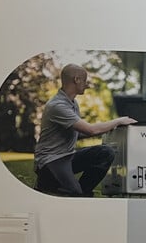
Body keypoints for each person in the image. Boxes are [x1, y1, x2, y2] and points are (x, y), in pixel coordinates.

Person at [33, 63, 133, 196]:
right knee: (74, 192)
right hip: (51, 161)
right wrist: (118, 120)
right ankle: (46, 184)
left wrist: (109, 128)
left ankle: (83, 192)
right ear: (76, 80)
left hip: (67, 156)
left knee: (105, 152)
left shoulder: (73, 103)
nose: (87, 85)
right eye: (85, 80)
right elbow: (90, 130)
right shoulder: (57, 106)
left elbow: (79, 133)